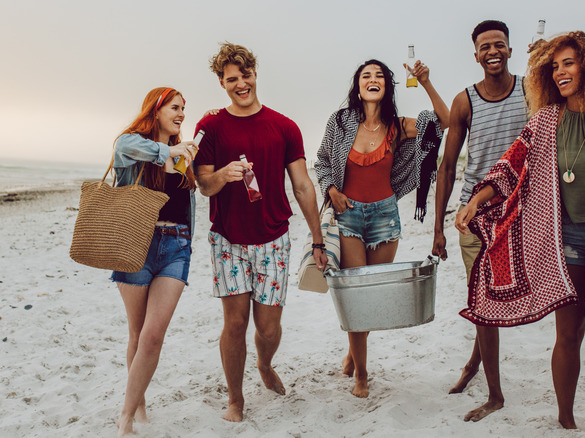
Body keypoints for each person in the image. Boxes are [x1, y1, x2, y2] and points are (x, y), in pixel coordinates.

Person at [455, 31, 585, 426]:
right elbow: (509, 166)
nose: (561, 72)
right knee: (569, 333)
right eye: (555, 66)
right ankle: (566, 419)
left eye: (569, 63)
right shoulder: (547, 119)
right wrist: (474, 203)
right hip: (565, 237)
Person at [193, 42, 328, 422]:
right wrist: (223, 174)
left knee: (268, 329)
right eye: (231, 79)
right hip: (228, 241)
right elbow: (203, 183)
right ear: (221, 82)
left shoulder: (284, 126)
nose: (240, 84)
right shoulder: (211, 126)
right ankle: (235, 400)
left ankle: (265, 364)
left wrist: (317, 239)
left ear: (255, 74)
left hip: (273, 240)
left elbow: (302, 185)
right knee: (235, 323)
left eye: (245, 76)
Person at [315, 58, 448, 398]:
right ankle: (362, 374)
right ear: (357, 86)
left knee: (370, 300)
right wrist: (331, 190)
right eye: (365, 76)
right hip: (348, 216)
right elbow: (322, 162)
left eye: (379, 76)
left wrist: (426, 81)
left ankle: (352, 353)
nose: (372, 80)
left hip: (386, 217)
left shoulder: (399, 125)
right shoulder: (340, 122)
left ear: (387, 86)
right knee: (357, 301)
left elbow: (444, 122)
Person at [430, 19, 529, 396]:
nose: (493, 51)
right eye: (485, 46)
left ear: (509, 50)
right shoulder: (464, 101)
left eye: (499, 44)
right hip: (475, 217)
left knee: (499, 301)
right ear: (476, 55)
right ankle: (494, 395)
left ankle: (474, 363)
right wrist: (438, 227)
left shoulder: (529, 91)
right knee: (485, 301)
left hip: (521, 213)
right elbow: (449, 166)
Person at [110, 87, 199, 437]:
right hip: (137, 244)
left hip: (175, 246)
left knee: (153, 336)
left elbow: (191, 195)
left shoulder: (181, 154)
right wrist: (167, 149)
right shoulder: (134, 146)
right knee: (136, 332)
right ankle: (138, 402)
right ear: (157, 109)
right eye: (175, 107)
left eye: (183, 109)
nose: (180, 114)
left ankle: (126, 416)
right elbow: (122, 146)